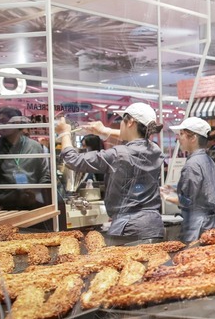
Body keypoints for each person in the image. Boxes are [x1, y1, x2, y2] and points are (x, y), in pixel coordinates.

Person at [56, 103, 165, 240]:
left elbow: (73, 160)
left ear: (130, 122)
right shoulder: (156, 150)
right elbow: (138, 140)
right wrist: (105, 131)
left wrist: (64, 133)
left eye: (122, 121)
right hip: (154, 225)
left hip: (128, 228)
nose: (120, 125)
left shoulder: (117, 154)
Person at [161, 117, 215, 242]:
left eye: (182, 134)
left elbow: (187, 201)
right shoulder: (207, 160)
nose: (178, 139)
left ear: (193, 138)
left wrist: (167, 197)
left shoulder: (192, 164)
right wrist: (174, 189)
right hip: (213, 223)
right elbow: (202, 190)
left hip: (197, 228)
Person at [0, 107, 51, 211]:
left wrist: (37, 193)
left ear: (17, 122)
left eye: (4, 121)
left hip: (33, 204)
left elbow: (44, 174)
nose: (0, 125)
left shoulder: (35, 146)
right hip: (4, 206)